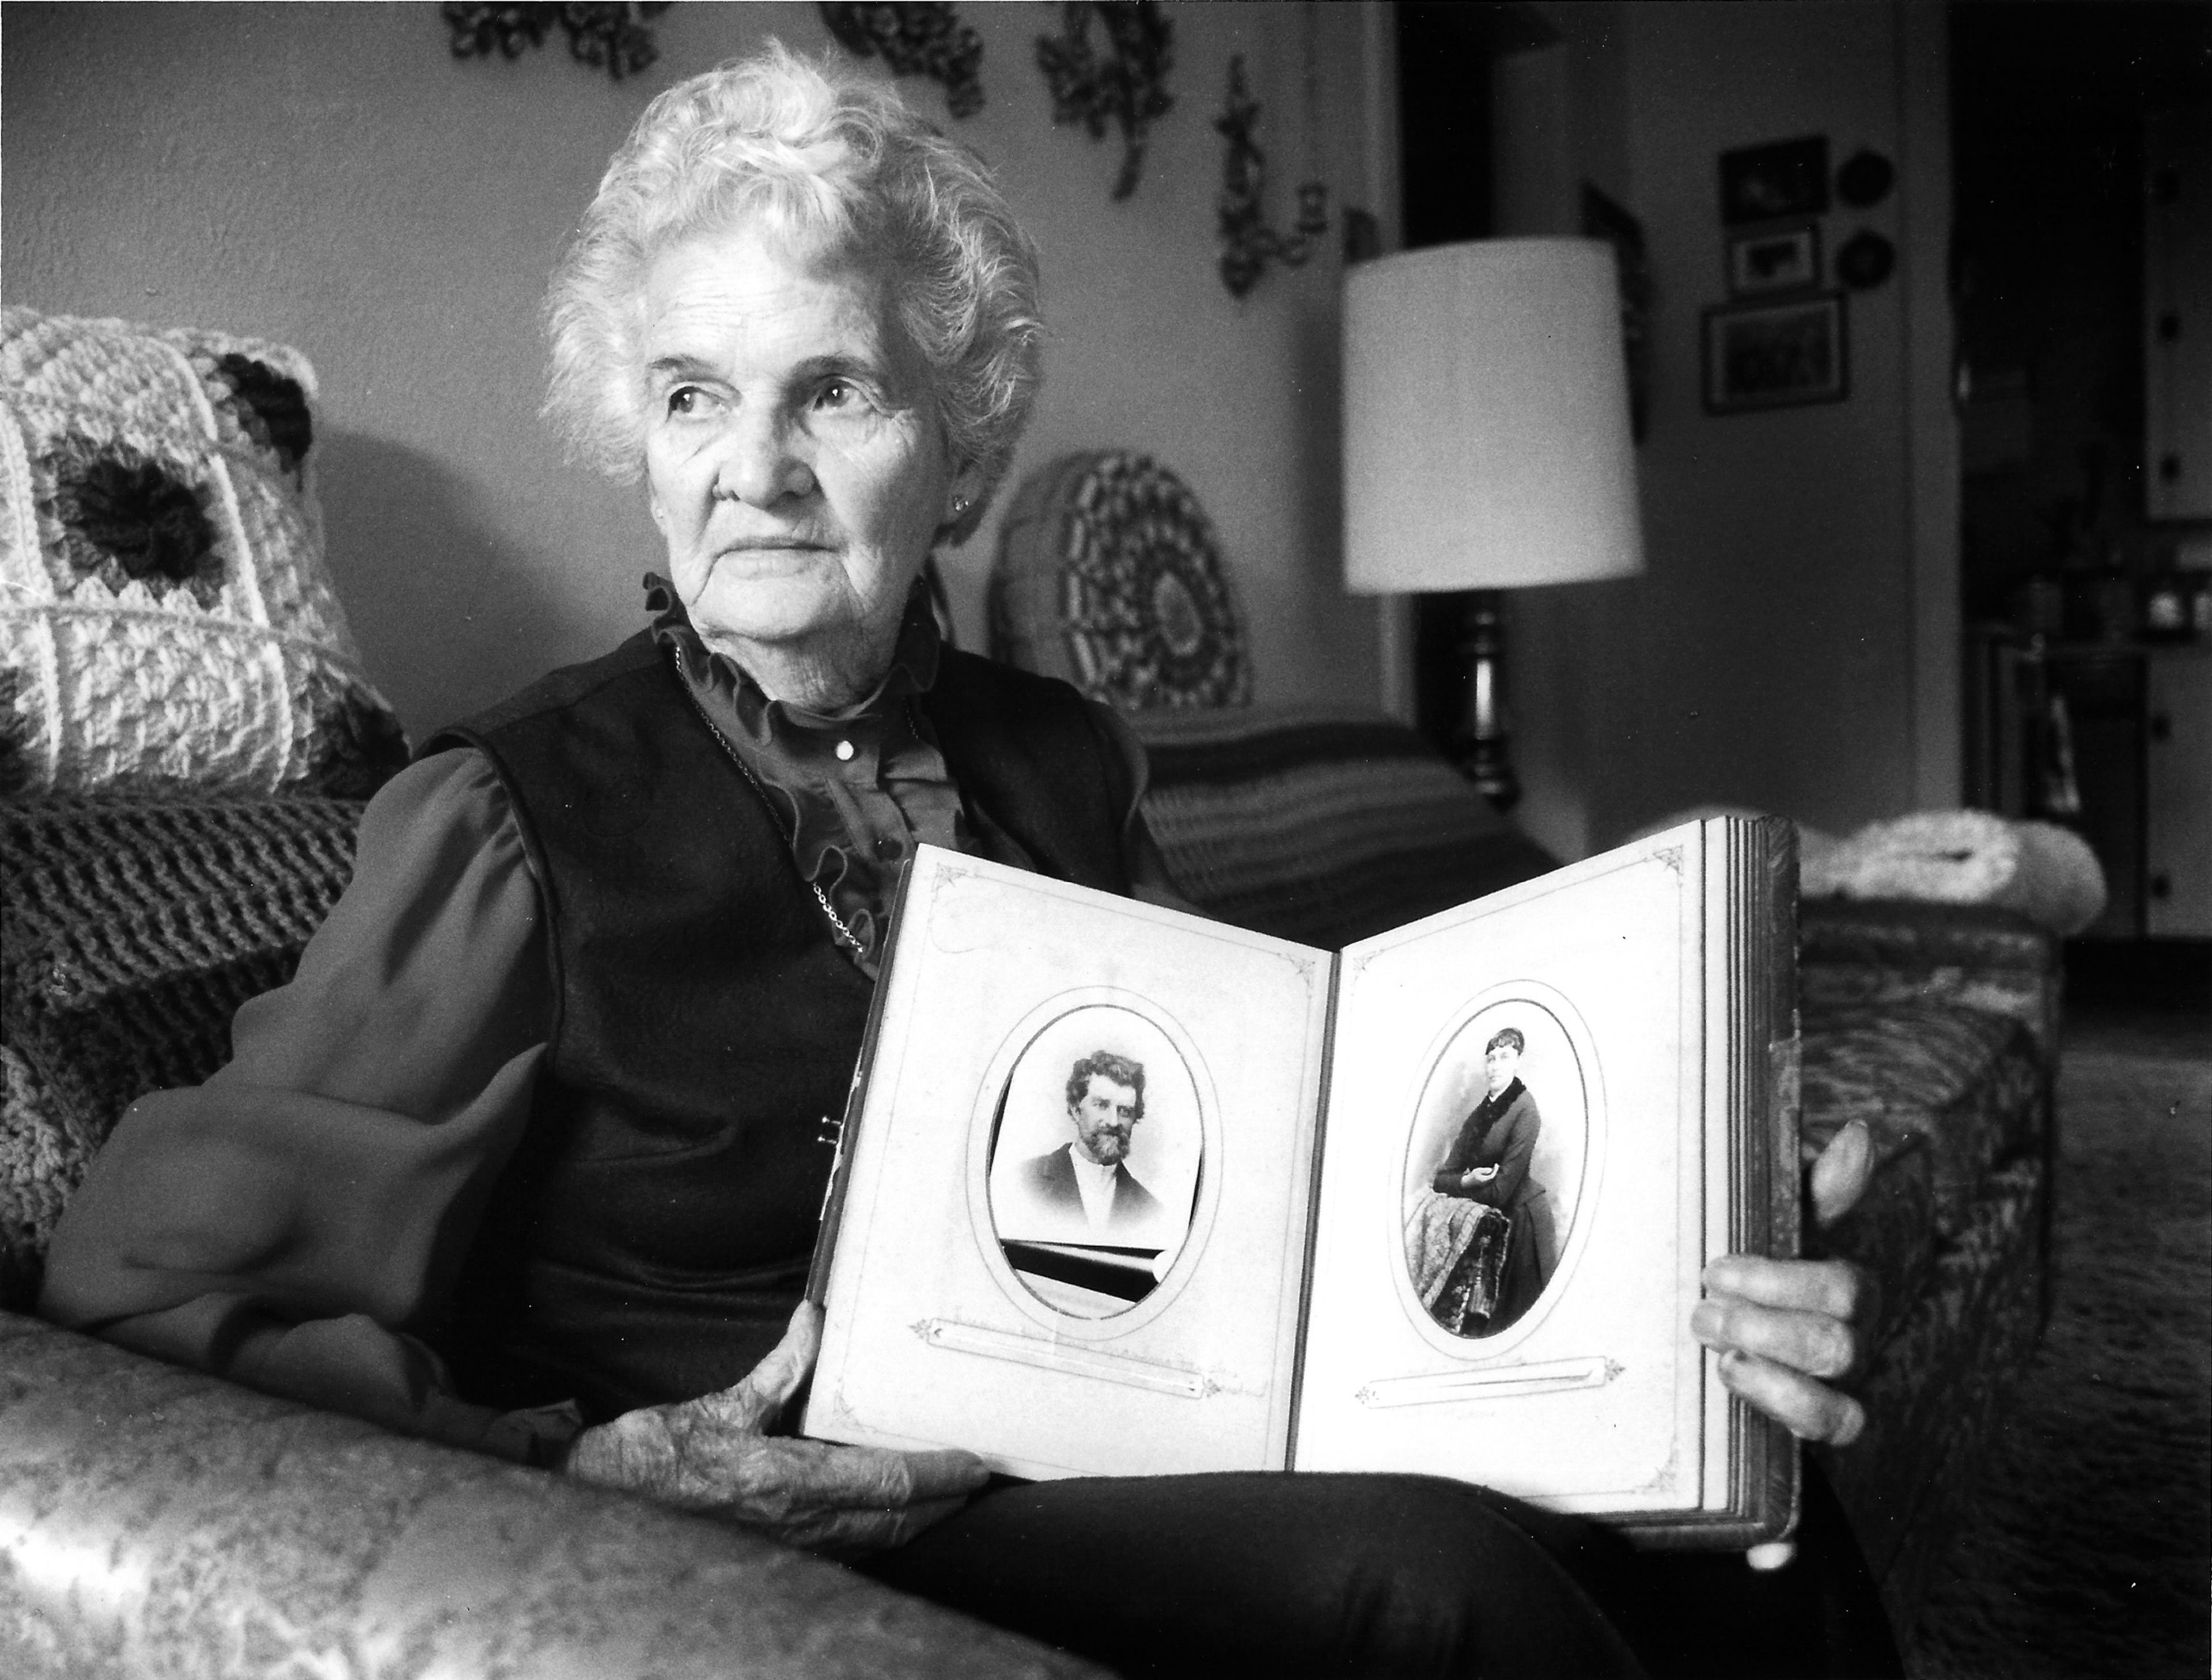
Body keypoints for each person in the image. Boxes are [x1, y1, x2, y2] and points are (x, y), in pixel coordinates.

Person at [39, 44, 1897, 1679]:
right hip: (857, 1497)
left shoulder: (1062, 754)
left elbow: (1273, 1198)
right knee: (1439, 1590)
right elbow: (147, 1287)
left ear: (957, 440)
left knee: (1766, 1522)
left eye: (828, 390)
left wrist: (1655, 1274)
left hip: (1139, 1408)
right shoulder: (504, 820)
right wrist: (581, 1463)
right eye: (691, 396)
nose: (748, 468)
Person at [1431, 1027, 1552, 1335]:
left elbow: (1501, 1191)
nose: (1495, 1066)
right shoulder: (1478, 1116)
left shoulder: (1526, 1110)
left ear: (1517, 1063)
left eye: (1504, 1057)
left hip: (1521, 1225)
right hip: (1487, 1224)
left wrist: (1462, 1186)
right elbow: (1441, 1179)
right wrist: (1468, 1181)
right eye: (1490, 1059)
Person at [1013, 1051, 1168, 1236]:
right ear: (1076, 1110)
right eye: (1102, 1105)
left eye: (1125, 1111)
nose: (1113, 1121)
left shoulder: (1149, 1209)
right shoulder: (1026, 1180)